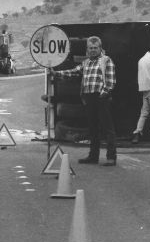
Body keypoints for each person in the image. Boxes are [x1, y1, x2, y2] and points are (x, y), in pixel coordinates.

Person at [50, 36, 117, 166]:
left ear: (100, 48)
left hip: (101, 97)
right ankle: (93, 156)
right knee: (92, 128)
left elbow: (111, 80)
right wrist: (56, 73)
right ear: (87, 49)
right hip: (89, 98)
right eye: (90, 48)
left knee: (107, 128)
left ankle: (111, 157)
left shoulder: (106, 61)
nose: (93, 50)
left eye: (95, 48)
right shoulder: (86, 63)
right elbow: (74, 72)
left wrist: (104, 93)